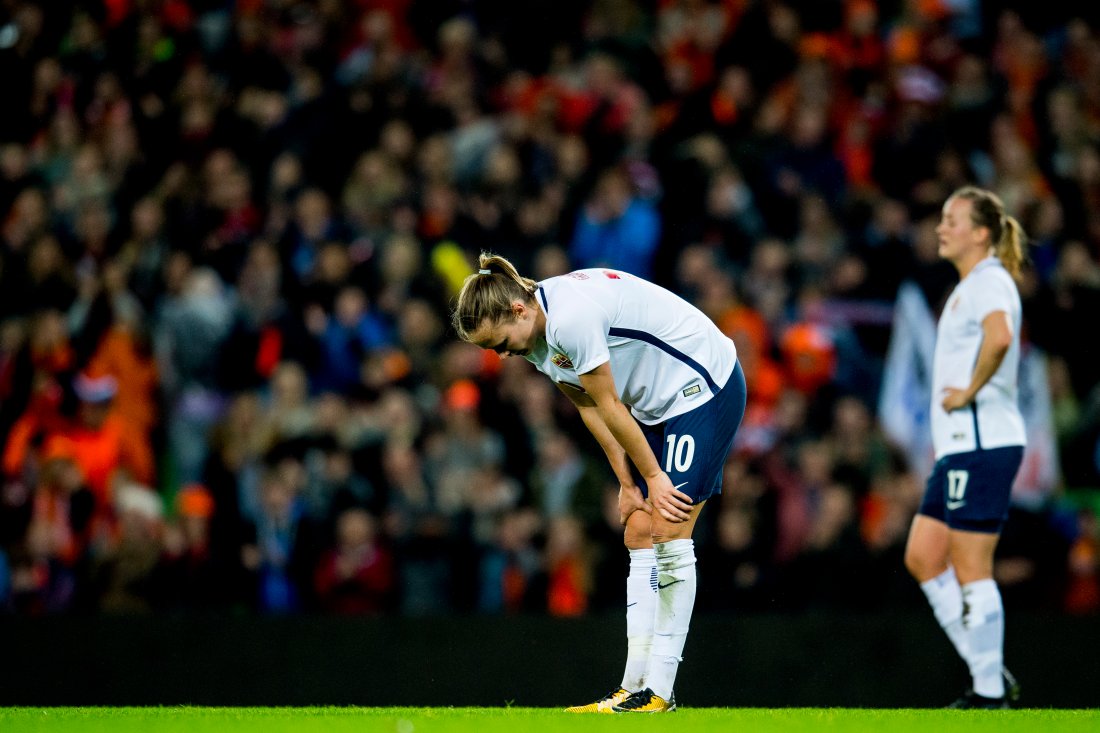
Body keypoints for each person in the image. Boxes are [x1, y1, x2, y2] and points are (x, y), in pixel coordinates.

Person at [452, 253, 746, 713]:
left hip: (701, 384)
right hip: (657, 405)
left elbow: (608, 404)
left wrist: (652, 477)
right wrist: (627, 483)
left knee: (669, 527)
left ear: (517, 310)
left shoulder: (570, 318)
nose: (501, 354)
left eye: (499, 343)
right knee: (638, 530)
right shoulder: (537, 338)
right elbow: (588, 407)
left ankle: (661, 692)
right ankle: (632, 688)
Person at [903, 186, 1027, 709]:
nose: (940, 227)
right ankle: (989, 668)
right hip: (961, 448)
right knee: (924, 557)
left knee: (971, 565)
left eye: (952, 219)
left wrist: (971, 392)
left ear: (981, 233)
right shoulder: (971, 285)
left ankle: (988, 693)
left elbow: (999, 338)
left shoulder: (989, 281)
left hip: (983, 442)